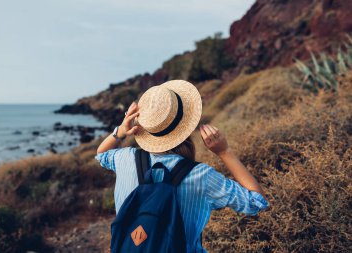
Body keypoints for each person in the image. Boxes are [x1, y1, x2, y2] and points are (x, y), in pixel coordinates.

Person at [96, 80, 268, 253]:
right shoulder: (201, 176)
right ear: (185, 124)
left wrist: (120, 131)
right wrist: (224, 152)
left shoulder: (124, 158)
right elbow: (256, 202)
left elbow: (101, 155)